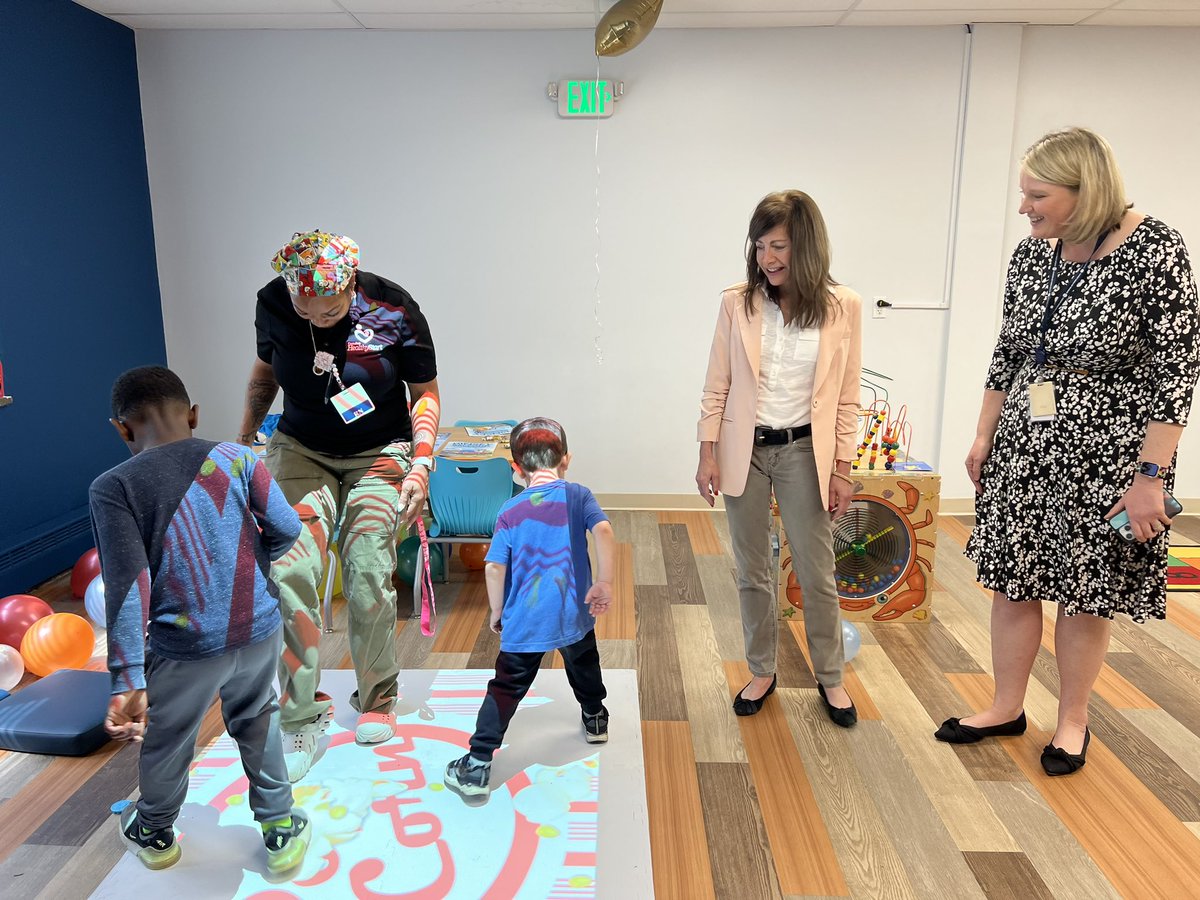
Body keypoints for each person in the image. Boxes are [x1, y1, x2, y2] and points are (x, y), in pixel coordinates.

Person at [941, 127, 1199, 776]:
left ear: (1087, 192)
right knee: (1013, 578)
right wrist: (983, 433)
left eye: (1038, 195)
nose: (1024, 208)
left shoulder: (1156, 251)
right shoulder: (1035, 254)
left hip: (1112, 453)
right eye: (1023, 194)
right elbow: (1009, 348)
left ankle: (1074, 721)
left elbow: (1178, 373)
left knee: (1085, 593)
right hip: (1028, 441)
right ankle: (1005, 705)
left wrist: (1151, 477)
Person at [240, 231, 442, 781]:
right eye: (308, 308)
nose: (319, 316)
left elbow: (425, 392)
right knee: (291, 571)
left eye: (331, 308)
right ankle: (300, 714)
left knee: (369, 566)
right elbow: (265, 375)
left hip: (382, 449)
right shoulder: (273, 302)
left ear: (351, 284)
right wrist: (246, 442)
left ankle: (376, 696)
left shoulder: (394, 308)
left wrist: (422, 464)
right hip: (302, 447)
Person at [91, 366, 309, 874]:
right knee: (259, 722)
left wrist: (127, 679)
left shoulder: (114, 486)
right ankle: (279, 828)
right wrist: (256, 568)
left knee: (168, 739)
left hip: (183, 647)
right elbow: (287, 526)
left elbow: (128, 587)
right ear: (193, 415)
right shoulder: (238, 458)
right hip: (259, 627)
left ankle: (155, 831)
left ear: (121, 429)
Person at [696, 190, 863, 726]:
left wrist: (843, 467)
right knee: (752, 570)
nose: (769, 257)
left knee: (817, 573)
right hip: (743, 450)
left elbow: (847, 396)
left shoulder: (844, 307)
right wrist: (707, 454)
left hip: (803, 453)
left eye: (781, 245)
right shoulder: (736, 302)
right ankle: (762, 670)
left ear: (807, 246)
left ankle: (830, 679)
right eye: (761, 245)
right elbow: (716, 385)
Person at [444, 417, 615, 798]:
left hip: (525, 619)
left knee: (506, 687)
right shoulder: (579, 496)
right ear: (566, 460)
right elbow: (603, 530)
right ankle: (595, 718)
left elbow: (493, 566)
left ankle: (476, 766)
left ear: (515, 468)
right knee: (583, 662)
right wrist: (604, 581)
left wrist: (496, 611)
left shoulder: (509, 511)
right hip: (573, 612)